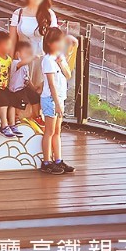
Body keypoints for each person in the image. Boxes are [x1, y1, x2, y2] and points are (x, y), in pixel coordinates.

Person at [9, 0, 59, 94]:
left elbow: (54, 38)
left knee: (41, 92)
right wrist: (11, 61)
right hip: (22, 59)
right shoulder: (19, 13)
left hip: (41, 58)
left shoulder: (49, 14)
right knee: (21, 92)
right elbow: (12, 39)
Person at [40, 27, 74, 175]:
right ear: (49, 43)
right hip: (50, 99)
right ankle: (46, 161)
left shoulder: (59, 57)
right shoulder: (47, 60)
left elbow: (68, 75)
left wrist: (62, 63)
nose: (61, 44)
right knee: (49, 131)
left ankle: (58, 159)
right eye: (57, 41)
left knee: (57, 131)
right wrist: (57, 104)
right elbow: (51, 84)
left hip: (60, 97)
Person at [6, 39, 39, 128]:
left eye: (29, 53)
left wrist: (34, 88)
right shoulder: (15, 63)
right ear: (18, 54)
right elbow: (21, 63)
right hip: (15, 90)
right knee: (16, 103)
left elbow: (27, 79)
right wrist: (32, 57)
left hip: (23, 87)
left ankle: (37, 116)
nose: (28, 56)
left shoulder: (26, 65)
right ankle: (14, 119)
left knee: (35, 96)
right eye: (26, 53)